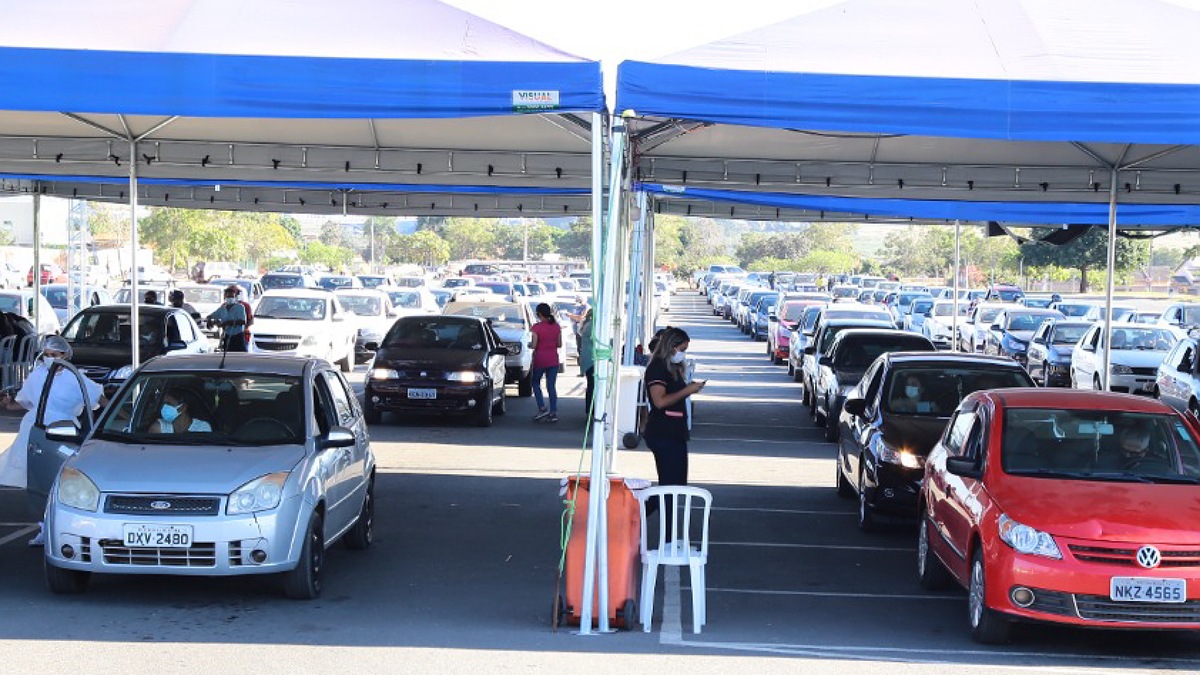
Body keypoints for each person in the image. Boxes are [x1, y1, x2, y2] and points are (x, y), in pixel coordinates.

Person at [0, 335, 104, 546]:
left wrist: (121, 415)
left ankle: (61, 527)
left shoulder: (75, 377)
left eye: (54, 355)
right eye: (46, 355)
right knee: (36, 480)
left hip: (62, 432)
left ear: (65, 355)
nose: (50, 359)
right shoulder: (38, 375)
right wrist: (9, 404)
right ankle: (43, 526)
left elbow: (98, 398)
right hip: (34, 430)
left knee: (58, 478)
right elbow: (27, 401)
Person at [643, 328, 705, 537]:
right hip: (663, 432)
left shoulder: (672, 367)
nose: (683, 354)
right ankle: (659, 528)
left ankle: (647, 519)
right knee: (669, 487)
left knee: (676, 485)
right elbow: (659, 401)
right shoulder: (657, 368)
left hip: (675, 432)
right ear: (671, 346)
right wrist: (687, 390)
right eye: (682, 349)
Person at [529, 302, 561, 422]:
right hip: (553, 358)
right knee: (551, 386)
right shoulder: (556, 326)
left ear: (539, 314)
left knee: (535, 382)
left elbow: (534, 345)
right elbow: (559, 344)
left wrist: (529, 345)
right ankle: (553, 412)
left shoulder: (536, 327)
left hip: (541, 358)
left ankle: (542, 407)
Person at [1098, 425, 1175, 474]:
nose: (1127, 455)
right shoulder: (1105, 464)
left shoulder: (1161, 468)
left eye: (1133, 454)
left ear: (1146, 451)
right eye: (1124, 451)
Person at [207, 285, 249, 351]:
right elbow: (211, 316)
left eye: (232, 296)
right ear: (225, 297)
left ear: (235, 297)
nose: (230, 298)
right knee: (227, 354)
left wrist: (229, 323)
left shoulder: (240, 307)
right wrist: (211, 321)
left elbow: (243, 321)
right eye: (228, 296)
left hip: (238, 336)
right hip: (227, 336)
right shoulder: (222, 309)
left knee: (240, 355)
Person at [578, 308, 594, 416]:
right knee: (593, 386)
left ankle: (589, 410)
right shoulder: (593, 326)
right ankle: (592, 410)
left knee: (590, 385)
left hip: (587, 358)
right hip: (592, 359)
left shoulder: (587, 324)